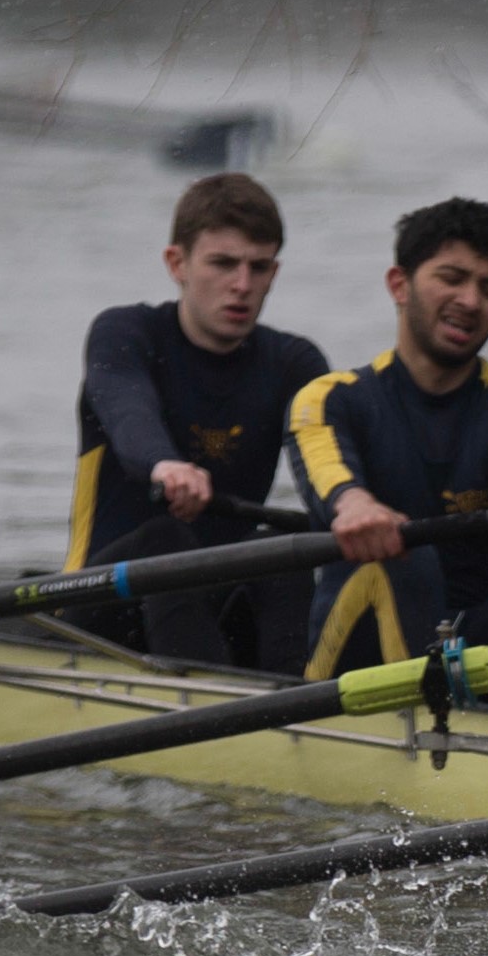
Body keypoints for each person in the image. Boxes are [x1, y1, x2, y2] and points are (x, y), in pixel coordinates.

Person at [287, 197, 488, 674]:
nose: (471, 301)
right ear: (399, 285)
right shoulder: (332, 399)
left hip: (475, 653)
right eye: (452, 278)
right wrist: (354, 504)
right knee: (405, 556)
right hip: (355, 670)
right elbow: (331, 478)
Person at [66, 171, 334, 671]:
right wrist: (164, 465)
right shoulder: (124, 333)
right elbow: (127, 409)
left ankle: (292, 706)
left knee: (282, 551)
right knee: (166, 538)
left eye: (259, 268)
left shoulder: (294, 364)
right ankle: (209, 713)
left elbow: (330, 462)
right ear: (177, 263)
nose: (242, 285)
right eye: (223, 264)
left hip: (211, 609)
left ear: (274, 272)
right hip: (101, 605)